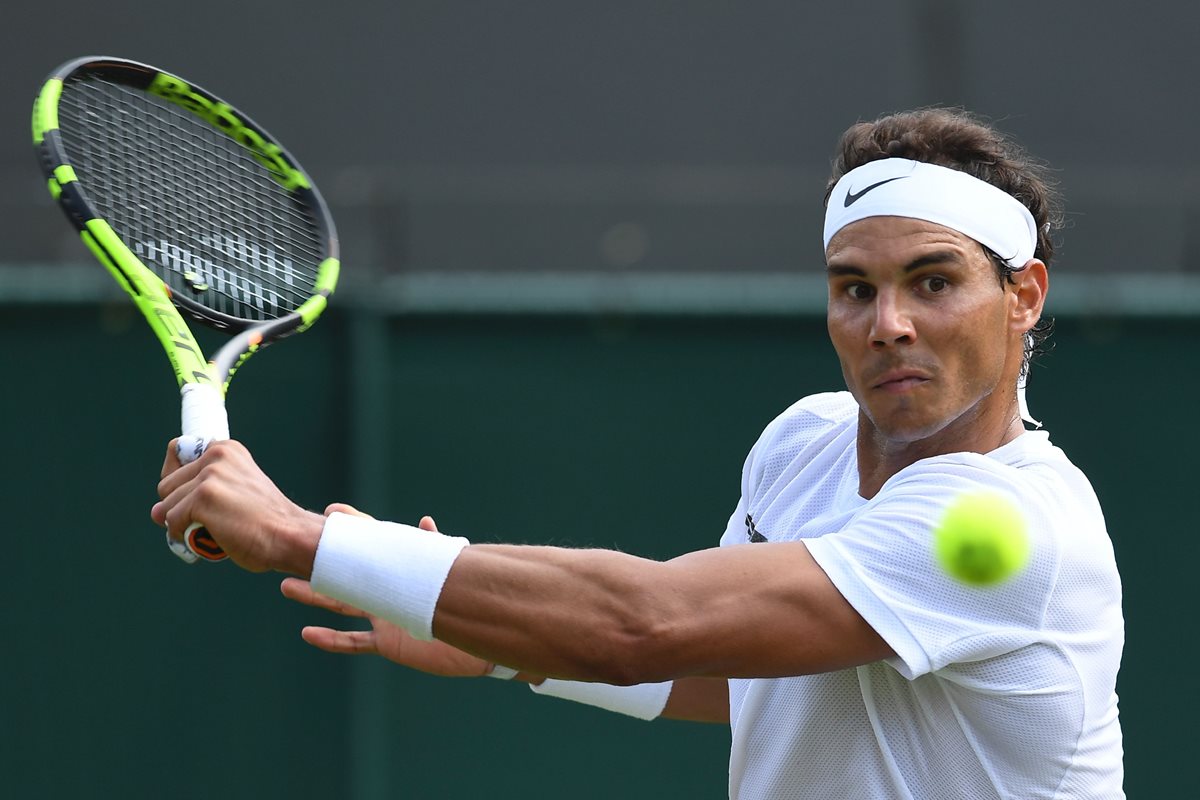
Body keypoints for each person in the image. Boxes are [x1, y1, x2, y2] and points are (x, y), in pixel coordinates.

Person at [152, 108, 1124, 799]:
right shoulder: (804, 442)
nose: (889, 323)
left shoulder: (1008, 518)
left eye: (933, 280)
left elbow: (644, 622)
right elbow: (738, 676)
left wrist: (296, 535)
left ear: (1024, 294)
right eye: (855, 287)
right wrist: (498, 646)